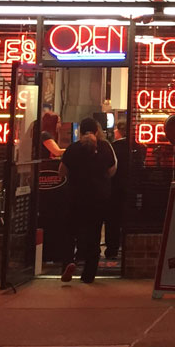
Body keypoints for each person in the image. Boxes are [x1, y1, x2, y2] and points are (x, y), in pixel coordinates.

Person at [57, 117, 116, 283]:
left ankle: (68, 263)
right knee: (94, 236)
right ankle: (89, 275)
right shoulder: (105, 148)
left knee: (70, 233)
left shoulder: (73, 148)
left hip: (75, 197)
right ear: (97, 131)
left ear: (80, 131)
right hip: (98, 199)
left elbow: (61, 171)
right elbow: (112, 170)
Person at [104, 120, 143, 261]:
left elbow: (108, 168)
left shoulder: (113, 147)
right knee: (130, 217)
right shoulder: (139, 147)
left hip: (114, 187)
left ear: (119, 131)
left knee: (113, 220)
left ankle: (112, 249)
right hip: (133, 187)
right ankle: (129, 247)